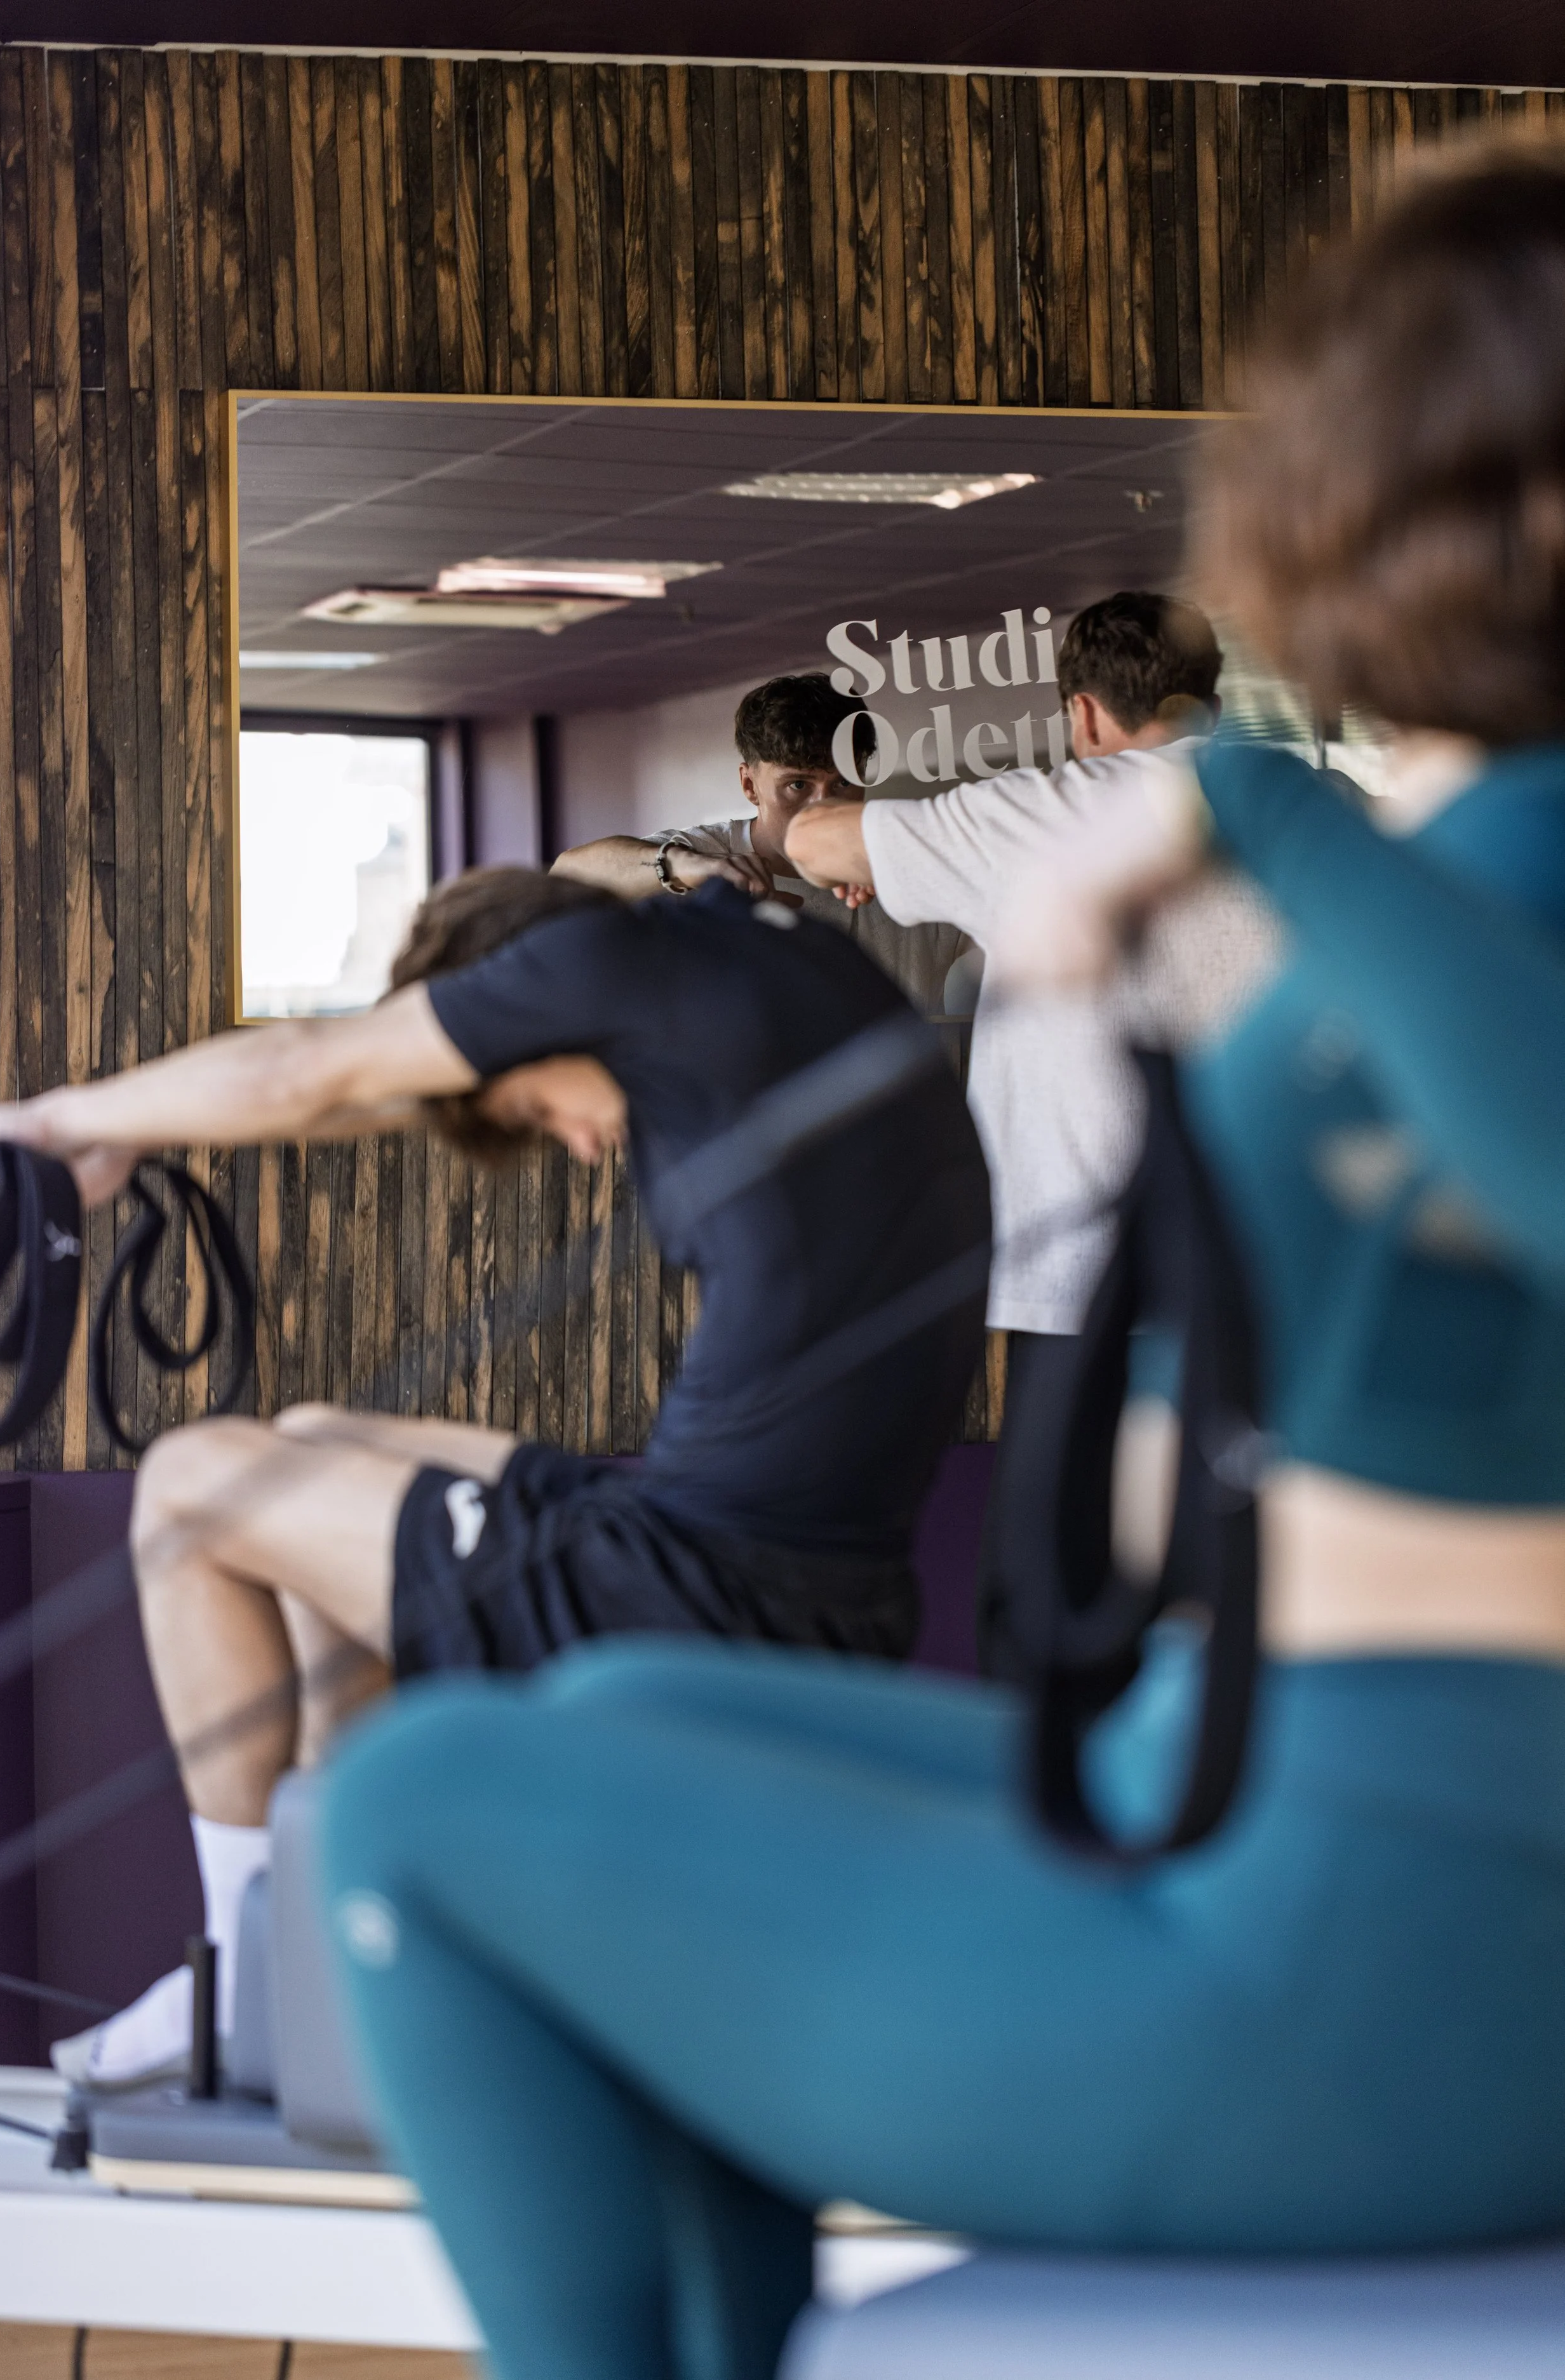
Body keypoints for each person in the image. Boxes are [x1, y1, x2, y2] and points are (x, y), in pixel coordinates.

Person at [317, 135, 1565, 2380]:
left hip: (1388, 1952)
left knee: (413, 1806)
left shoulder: (1472, 850)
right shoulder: (1476, 833)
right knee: (618, 1702)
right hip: (1261, 1774)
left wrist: (1242, 798)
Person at [0, 862, 988, 2089]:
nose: (577, 1141)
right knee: (310, 1439)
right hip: (795, 1576)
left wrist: (44, 1124)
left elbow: (315, 1068)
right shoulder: (767, 964)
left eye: (532, 1105)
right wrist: (123, 1134)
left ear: (535, 1001)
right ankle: (318, 1932)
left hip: (697, 1590)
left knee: (197, 1481)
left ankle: (242, 1970)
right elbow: (369, 1092)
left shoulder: (612, 970)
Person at [786, 590, 1280, 1668]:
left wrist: (863, 846)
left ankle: (1062, 1760)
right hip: (1276, 1265)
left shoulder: (1043, 811)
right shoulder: (1306, 805)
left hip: (1085, 1272)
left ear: (1085, 713)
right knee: (1242, 1575)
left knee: (1058, 1585)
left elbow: (813, 840)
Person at [550, 671, 973, 1015]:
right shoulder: (710, 855)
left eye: (844, 782)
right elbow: (564, 878)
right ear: (750, 785)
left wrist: (904, 862)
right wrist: (687, 868)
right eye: (797, 785)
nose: (824, 805)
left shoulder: (908, 866)